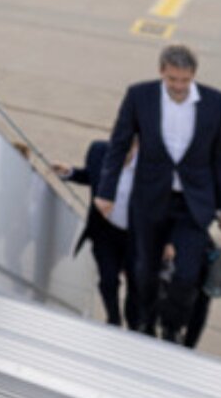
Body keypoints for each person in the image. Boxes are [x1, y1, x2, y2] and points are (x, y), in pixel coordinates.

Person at [96, 44, 221, 344]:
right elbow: (119, 144)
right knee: (144, 272)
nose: (178, 86)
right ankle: (146, 325)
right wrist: (106, 192)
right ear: (162, 71)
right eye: (173, 79)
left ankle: (172, 327)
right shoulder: (140, 96)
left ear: (194, 75)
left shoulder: (214, 102)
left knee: (187, 275)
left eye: (185, 80)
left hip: (193, 203)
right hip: (150, 199)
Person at [54, 139, 139, 328]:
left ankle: (134, 327)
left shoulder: (152, 164)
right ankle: (114, 319)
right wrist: (70, 173)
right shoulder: (100, 151)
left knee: (136, 286)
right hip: (104, 231)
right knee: (108, 279)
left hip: (135, 236)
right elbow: (90, 175)